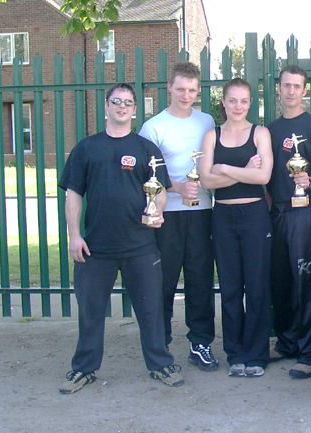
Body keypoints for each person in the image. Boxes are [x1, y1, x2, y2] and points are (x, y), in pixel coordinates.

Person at [58, 83, 184, 394]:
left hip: (140, 246)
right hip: (95, 248)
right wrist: (74, 236)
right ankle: (84, 369)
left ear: (135, 110)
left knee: (151, 310)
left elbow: (162, 190)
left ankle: (160, 364)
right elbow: (73, 194)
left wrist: (157, 211)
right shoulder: (86, 148)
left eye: (128, 102)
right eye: (116, 101)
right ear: (106, 106)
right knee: (89, 311)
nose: (122, 106)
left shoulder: (145, 149)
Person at [139, 62, 218, 372]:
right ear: (169, 88)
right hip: (167, 214)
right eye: (180, 89)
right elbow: (147, 175)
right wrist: (177, 187)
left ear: (198, 91)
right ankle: (160, 346)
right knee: (164, 281)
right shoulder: (153, 126)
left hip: (202, 212)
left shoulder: (207, 121)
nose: (186, 95)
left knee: (200, 280)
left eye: (192, 90)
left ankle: (200, 344)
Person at [199, 78, 273, 378]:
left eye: (243, 101)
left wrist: (225, 168)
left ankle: (256, 354)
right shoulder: (211, 136)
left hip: (255, 215)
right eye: (232, 100)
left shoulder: (260, 133)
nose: (238, 106)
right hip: (223, 217)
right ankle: (235, 354)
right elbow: (205, 181)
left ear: (250, 103)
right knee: (230, 288)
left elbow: (264, 177)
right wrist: (245, 172)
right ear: (224, 103)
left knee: (256, 287)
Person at [266, 65, 311, 379]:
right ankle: (286, 341)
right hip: (276, 212)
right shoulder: (269, 129)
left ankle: (309, 351)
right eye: (286, 86)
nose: (291, 91)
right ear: (278, 89)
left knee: (305, 280)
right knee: (279, 281)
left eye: (297, 86)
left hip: (303, 213)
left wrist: (309, 181)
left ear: (305, 91)